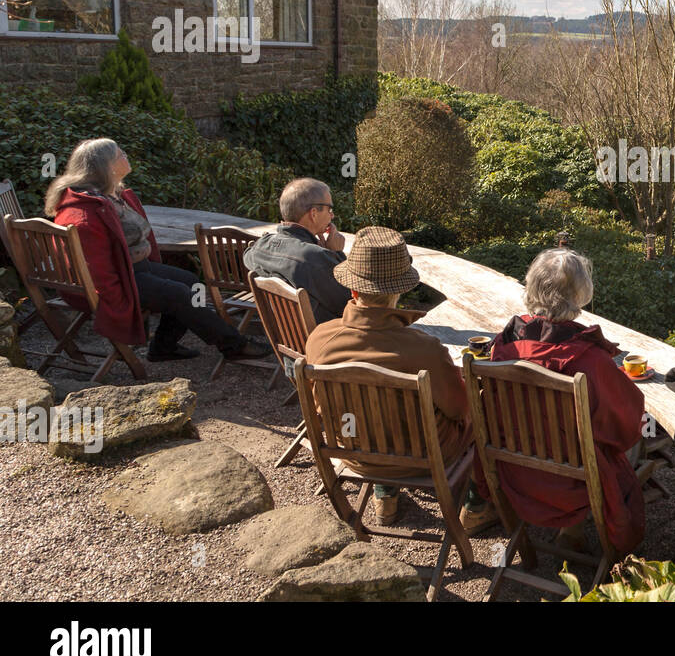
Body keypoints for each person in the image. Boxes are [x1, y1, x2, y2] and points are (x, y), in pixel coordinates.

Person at [468, 247, 646, 556]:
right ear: (579, 295)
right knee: (641, 436)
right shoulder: (589, 360)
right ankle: (572, 528)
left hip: (514, 473)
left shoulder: (502, 346)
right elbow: (625, 425)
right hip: (574, 484)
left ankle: (563, 530)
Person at [303, 226, 473, 526]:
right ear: (401, 289)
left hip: (355, 452)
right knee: (481, 411)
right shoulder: (425, 350)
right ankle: (477, 504)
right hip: (423, 456)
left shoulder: (320, 339)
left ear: (352, 289)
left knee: (369, 414)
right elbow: (460, 411)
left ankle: (385, 496)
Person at [45, 138, 270, 363]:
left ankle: (163, 346)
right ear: (108, 167)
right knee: (180, 295)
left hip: (134, 269)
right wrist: (120, 304)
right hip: (120, 280)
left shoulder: (110, 196)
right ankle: (234, 344)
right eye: (120, 154)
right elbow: (97, 272)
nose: (125, 155)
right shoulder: (84, 214)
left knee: (193, 282)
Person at [243, 178, 350, 325]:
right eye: (329, 209)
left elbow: (246, 256)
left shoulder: (259, 247)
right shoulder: (315, 258)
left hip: (287, 337)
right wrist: (337, 253)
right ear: (313, 213)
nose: (332, 216)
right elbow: (350, 303)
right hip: (324, 339)